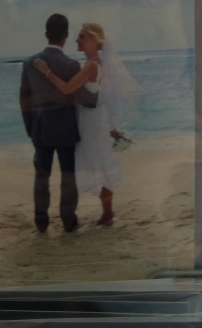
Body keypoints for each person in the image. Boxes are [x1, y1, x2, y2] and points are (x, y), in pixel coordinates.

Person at [34, 23, 140, 226]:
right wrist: (111, 125)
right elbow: (107, 97)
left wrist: (46, 71)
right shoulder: (100, 63)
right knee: (100, 163)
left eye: (82, 36)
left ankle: (108, 214)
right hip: (97, 118)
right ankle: (107, 213)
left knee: (97, 164)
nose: (77, 40)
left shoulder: (92, 65)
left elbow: (67, 88)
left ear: (93, 40)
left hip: (92, 121)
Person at [20, 14, 97, 233]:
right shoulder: (70, 64)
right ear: (66, 36)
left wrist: (30, 129)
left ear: (46, 34)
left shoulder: (29, 63)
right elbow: (83, 99)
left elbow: (24, 100)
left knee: (41, 176)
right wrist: (98, 94)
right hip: (65, 129)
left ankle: (41, 222)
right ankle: (68, 221)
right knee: (68, 176)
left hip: (40, 129)